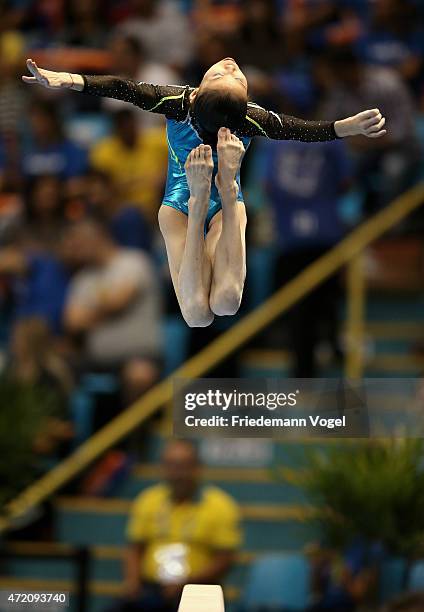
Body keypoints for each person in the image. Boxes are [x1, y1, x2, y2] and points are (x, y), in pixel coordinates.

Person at [22, 57, 386, 327]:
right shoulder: (184, 103)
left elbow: (298, 129)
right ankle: (215, 190)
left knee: (223, 306)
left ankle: (217, 190)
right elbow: (121, 87)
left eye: (230, 74)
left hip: (193, 206)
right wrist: (66, 79)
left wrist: (344, 127)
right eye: (226, 73)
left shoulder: (223, 110)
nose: (230, 66)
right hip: (187, 206)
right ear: (197, 92)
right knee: (200, 314)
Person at [112, 439, 241, 612]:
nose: (177, 473)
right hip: (151, 589)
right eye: (171, 465)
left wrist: (187, 582)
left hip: (198, 591)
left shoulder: (220, 505)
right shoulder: (148, 500)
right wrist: (132, 582)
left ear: (197, 468)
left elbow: (225, 559)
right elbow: (134, 548)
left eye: (183, 466)